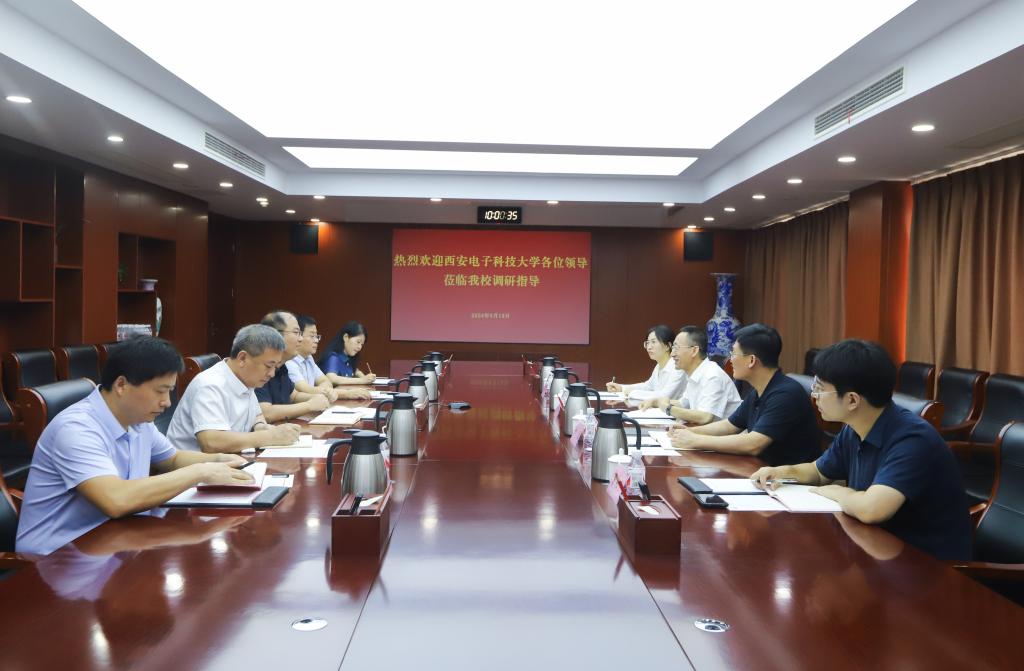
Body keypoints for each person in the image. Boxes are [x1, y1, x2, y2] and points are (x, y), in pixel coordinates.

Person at [16, 337, 254, 555]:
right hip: (57, 558)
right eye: (160, 391)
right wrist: (200, 472)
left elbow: (171, 459)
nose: (166, 402)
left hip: (115, 541)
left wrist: (219, 461)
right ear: (121, 385)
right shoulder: (76, 429)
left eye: (170, 391)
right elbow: (117, 499)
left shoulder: (138, 420)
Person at [751, 339, 972, 561]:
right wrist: (780, 472)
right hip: (879, 550)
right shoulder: (855, 428)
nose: (814, 396)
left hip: (926, 565)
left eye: (820, 389)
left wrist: (837, 492)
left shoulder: (912, 439)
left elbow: (872, 509)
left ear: (852, 400)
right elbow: (819, 472)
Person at [668, 323, 821, 465]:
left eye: (733, 353)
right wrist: (689, 432)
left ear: (752, 360)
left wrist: (696, 441)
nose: (730, 360)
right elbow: (730, 425)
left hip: (787, 479)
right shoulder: (760, 390)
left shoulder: (785, 394)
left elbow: (753, 444)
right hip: (762, 470)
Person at [167, 324, 303, 453]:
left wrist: (261, 426)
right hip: (195, 467)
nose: (272, 374)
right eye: (268, 366)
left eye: (275, 367)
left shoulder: (246, 379)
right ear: (242, 358)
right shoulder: (210, 385)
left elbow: (256, 415)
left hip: (229, 461)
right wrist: (271, 437)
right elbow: (212, 442)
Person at [256, 311, 370, 423]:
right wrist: (309, 405)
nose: (300, 339)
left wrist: (318, 398)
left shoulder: (282, 366)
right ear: (275, 335)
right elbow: (266, 413)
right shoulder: (260, 366)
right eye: (296, 333)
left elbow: (294, 396)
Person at [640, 325, 742, 425]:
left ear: (694, 351)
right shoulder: (694, 373)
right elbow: (684, 403)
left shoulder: (712, 375)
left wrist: (668, 408)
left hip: (726, 435)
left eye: (676, 348)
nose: (672, 354)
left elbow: (705, 417)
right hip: (703, 432)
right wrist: (656, 402)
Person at [605, 325, 686, 400]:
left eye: (653, 342)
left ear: (667, 346)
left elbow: (665, 396)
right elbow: (648, 387)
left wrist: (632, 393)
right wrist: (621, 388)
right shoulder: (659, 365)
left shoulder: (678, 367)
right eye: (647, 343)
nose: (649, 347)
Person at [285, 314, 339, 402]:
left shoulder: (309, 357)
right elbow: (304, 389)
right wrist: (327, 392)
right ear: (299, 336)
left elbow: (326, 381)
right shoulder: (289, 361)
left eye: (317, 336)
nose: (316, 340)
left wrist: (323, 390)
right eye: (312, 336)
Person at [319, 321, 377, 385]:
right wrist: (362, 380)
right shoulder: (333, 357)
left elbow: (355, 370)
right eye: (358, 342)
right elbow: (331, 378)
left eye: (362, 344)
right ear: (346, 337)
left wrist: (366, 378)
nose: (360, 347)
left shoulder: (348, 357)